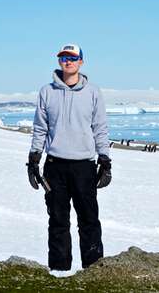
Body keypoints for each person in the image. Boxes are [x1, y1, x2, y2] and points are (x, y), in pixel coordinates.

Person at [27, 43, 112, 271]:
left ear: (81, 62)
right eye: (64, 58)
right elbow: (40, 128)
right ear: (59, 62)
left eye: (72, 58)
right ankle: (59, 271)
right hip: (54, 166)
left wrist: (105, 160)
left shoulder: (93, 92)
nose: (68, 62)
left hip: (84, 167)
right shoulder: (47, 92)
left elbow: (100, 128)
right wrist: (34, 159)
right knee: (57, 221)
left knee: (89, 221)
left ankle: (93, 271)